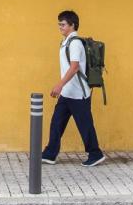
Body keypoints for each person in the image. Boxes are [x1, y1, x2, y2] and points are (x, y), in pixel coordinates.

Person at [41, 10, 105, 167]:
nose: (60, 27)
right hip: (67, 93)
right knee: (57, 123)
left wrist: (59, 85)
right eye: (59, 24)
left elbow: (74, 67)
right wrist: (63, 88)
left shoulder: (75, 43)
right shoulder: (65, 42)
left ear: (72, 25)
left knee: (85, 125)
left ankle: (95, 154)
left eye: (63, 24)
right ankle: (50, 154)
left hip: (78, 94)